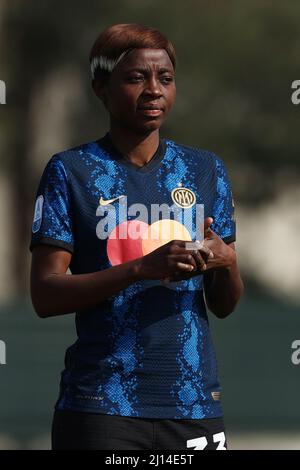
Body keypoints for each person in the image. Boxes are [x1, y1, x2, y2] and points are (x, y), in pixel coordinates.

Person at [30, 23, 244, 450]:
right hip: (101, 405)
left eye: (165, 78)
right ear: (101, 88)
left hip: (193, 405)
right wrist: (142, 268)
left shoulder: (205, 170)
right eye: (135, 78)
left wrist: (228, 264)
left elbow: (223, 304)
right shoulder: (70, 171)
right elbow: (45, 295)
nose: (153, 90)